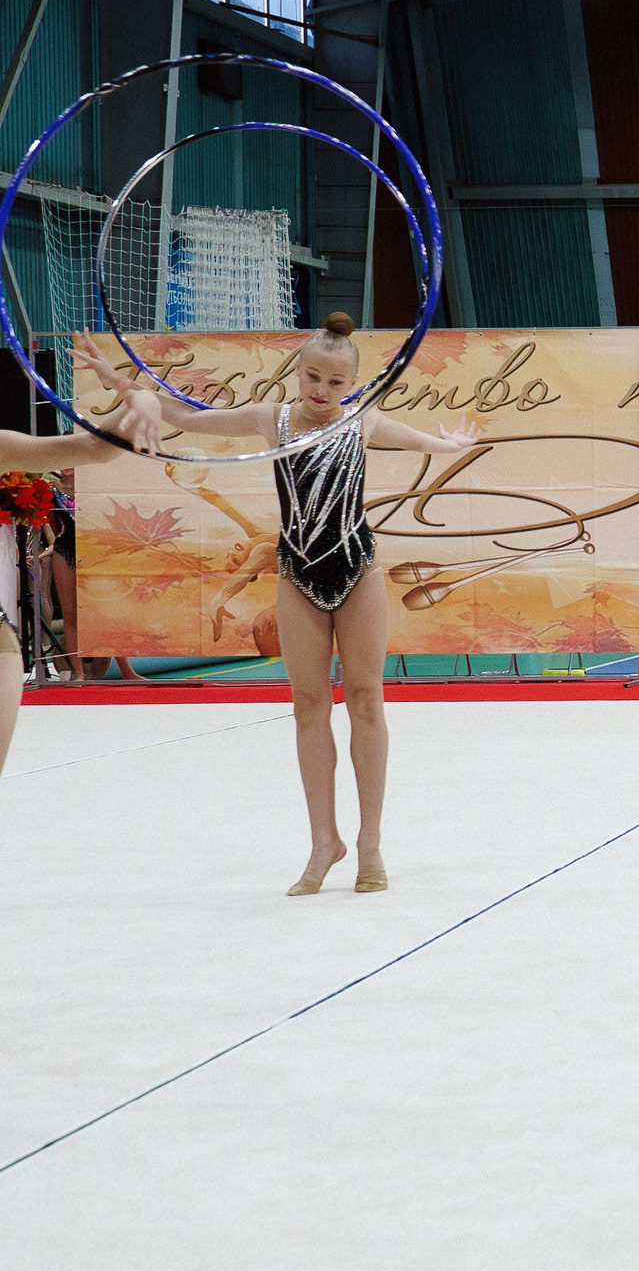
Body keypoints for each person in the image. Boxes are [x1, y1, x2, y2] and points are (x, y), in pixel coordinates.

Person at [86, 318, 482, 895]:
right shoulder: (272, 419)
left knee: (367, 699)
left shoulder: (361, 419)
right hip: (297, 573)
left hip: (358, 569)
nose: (321, 389)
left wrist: (448, 444)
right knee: (307, 706)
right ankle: (325, 842)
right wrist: (126, 384)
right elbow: (188, 417)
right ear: (298, 372)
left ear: (353, 382)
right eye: (312, 376)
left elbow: (425, 442)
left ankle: (370, 845)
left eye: (334, 380)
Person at [1, 413, 143, 776]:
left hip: (91, 548)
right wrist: (46, 550)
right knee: (69, 611)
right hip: (65, 549)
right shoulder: (51, 491)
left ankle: (126, 670)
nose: (65, 467)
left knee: (105, 612)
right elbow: (48, 526)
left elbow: (94, 457)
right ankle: (78, 671)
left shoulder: (92, 484)